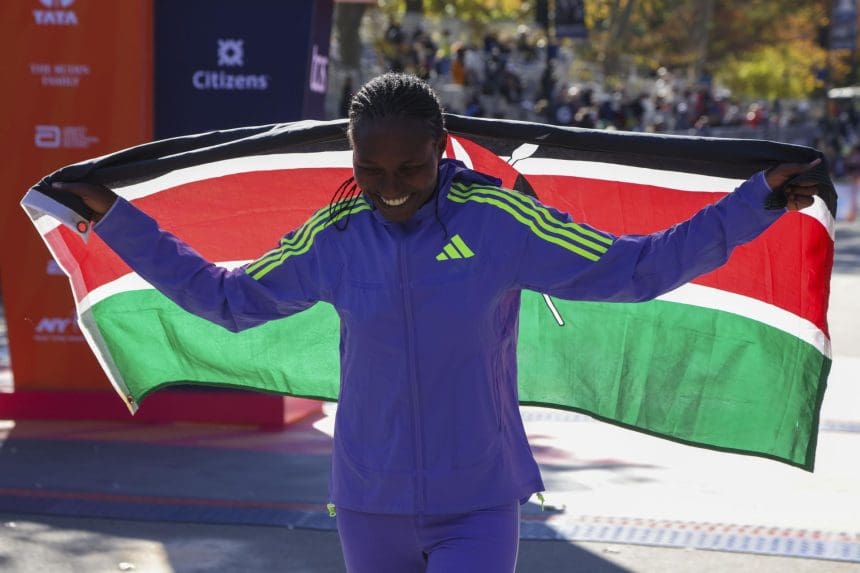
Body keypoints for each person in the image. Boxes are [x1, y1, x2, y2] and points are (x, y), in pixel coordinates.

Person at [55, 73, 820, 572]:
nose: (390, 188)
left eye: (410, 169)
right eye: (370, 170)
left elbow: (636, 269)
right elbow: (223, 298)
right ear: (350, 158)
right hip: (367, 502)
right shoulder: (336, 235)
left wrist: (752, 202)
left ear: (439, 148)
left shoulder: (498, 219)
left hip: (477, 502)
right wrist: (113, 218)